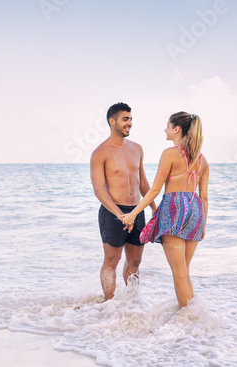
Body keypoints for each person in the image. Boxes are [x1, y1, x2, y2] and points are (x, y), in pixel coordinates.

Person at [120, 112, 208, 308]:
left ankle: (189, 318)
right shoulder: (202, 161)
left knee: (178, 273)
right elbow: (204, 197)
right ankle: (195, 317)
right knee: (184, 271)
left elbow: (155, 189)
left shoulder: (170, 153)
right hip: (196, 211)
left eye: (167, 126)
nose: (165, 130)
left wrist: (133, 213)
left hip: (175, 210)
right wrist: (203, 226)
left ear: (176, 129)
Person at [90, 102, 157, 300]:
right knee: (112, 259)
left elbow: (142, 182)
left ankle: (131, 301)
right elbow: (99, 189)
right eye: (125, 119)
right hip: (113, 212)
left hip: (137, 210)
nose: (129, 123)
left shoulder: (137, 149)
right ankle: (109, 304)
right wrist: (119, 215)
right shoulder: (100, 152)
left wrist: (153, 207)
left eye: (130, 119)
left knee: (135, 259)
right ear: (112, 121)